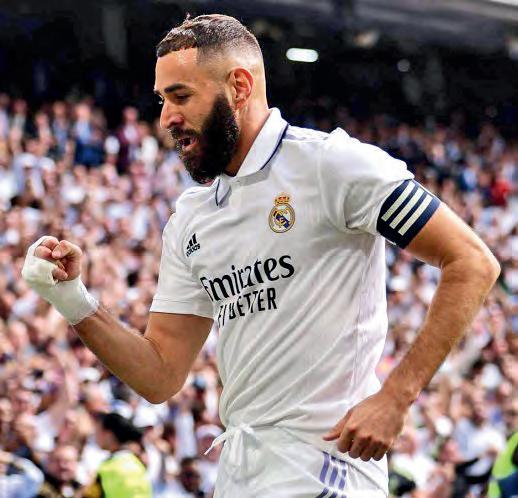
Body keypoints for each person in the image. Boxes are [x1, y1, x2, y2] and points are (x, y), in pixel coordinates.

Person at [21, 13, 501, 498]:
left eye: (181, 96)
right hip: (240, 473)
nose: (166, 118)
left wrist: (396, 397)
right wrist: (72, 299)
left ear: (239, 87)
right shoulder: (191, 217)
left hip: (326, 473)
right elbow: (160, 375)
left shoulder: (332, 165)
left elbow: (472, 262)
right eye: (162, 100)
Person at [81, 412, 152, 498]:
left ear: (109, 435)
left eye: (98, 431)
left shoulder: (108, 468)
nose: (95, 436)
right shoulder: (137, 464)